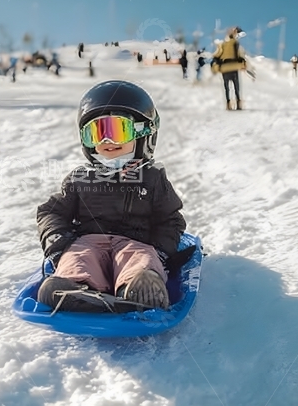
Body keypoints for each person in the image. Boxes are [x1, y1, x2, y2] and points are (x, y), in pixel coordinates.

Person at [36, 80, 188, 313]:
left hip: (135, 243)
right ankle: (71, 288)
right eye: (96, 133)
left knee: (139, 258)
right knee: (79, 256)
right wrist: (60, 246)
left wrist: (159, 252)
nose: (107, 140)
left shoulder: (152, 179)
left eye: (117, 130)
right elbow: (51, 212)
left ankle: (139, 287)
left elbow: (170, 220)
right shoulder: (80, 179)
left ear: (144, 134)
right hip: (89, 242)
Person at [211, 26, 249, 110]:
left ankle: (228, 104)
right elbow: (239, 55)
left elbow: (217, 55)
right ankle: (238, 103)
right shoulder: (235, 43)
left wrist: (216, 63)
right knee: (236, 86)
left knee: (226, 87)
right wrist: (243, 63)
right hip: (233, 67)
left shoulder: (223, 44)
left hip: (225, 67)